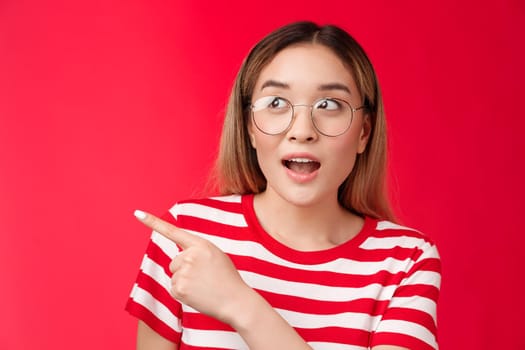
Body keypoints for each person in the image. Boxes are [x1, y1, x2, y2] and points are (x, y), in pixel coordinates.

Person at [126, 21, 441, 350]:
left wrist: (240, 305)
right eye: (276, 103)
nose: (302, 130)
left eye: (329, 105)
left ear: (363, 132)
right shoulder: (187, 236)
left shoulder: (406, 261)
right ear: (249, 126)